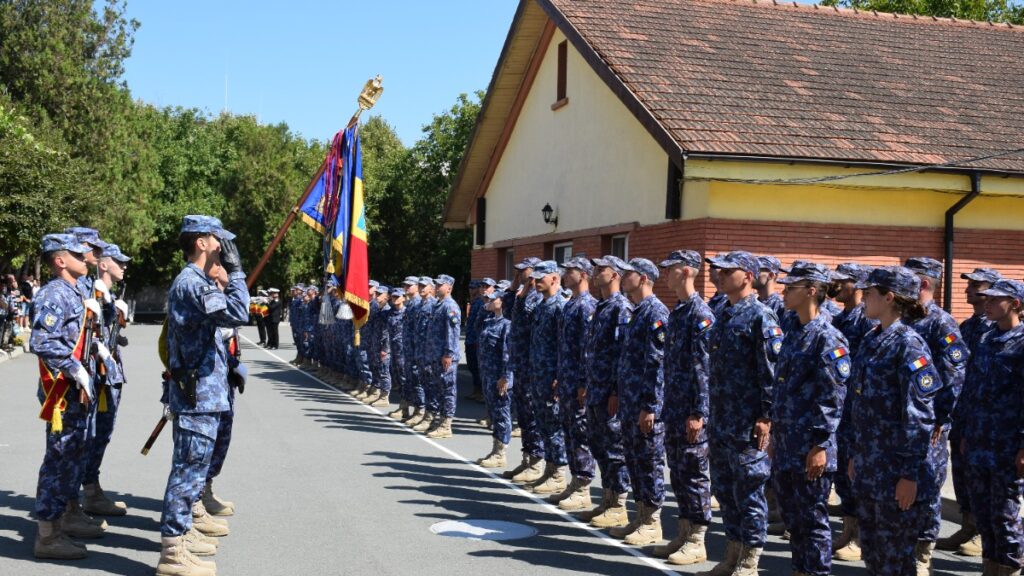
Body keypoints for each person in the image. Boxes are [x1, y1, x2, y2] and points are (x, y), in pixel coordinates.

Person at [157, 215, 248, 576]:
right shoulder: (192, 283)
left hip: (203, 392)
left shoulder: (199, 281)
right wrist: (236, 273)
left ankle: (183, 535)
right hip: (196, 395)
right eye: (218, 240)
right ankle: (172, 553)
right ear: (201, 243)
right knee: (187, 472)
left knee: (192, 471)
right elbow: (239, 313)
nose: (224, 247)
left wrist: (225, 280)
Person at [849, 266, 939, 576]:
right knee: (873, 552)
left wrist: (909, 474)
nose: (863, 299)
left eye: (869, 294)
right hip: (870, 465)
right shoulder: (873, 338)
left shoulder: (909, 345)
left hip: (894, 471)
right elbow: (860, 405)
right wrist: (856, 455)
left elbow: (919, 417)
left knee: (896, 558)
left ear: (889, 298)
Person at [700, 250, 782, 576]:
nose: (719, 276)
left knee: (749, 493)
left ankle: (749, 561)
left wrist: (766, 417)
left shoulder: (762, 317)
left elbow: (772, 373)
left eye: (726, 271)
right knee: (726, 490)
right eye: (718, 271)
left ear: (747, 277)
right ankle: (732, 554)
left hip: (748, 423)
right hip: (723, 422)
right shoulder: (724, 314)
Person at [771, 262, 849, 576]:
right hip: (789, 444)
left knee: (813, 520)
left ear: (812, 291)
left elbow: (832, 398)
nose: (784, 292)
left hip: (811, 448)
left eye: (791, 288)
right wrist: (777, 435)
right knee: (794, 519)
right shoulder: (793, 329)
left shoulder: (828, 338)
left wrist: (819, 445)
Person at [30, 233, 97, 559]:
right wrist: (74, 368)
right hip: (60, 391)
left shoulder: (72, 292)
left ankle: (58, 527)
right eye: (77, 255)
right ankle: (46, 535)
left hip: (73, 391)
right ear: (60, 260)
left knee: (70, 457)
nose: (85, 259)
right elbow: (42, 341)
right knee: (57, 460)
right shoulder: (54, 293)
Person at [903, 256, 968, 573]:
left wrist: (940, 419)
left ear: (924, 283)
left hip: (929, 425)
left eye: (909, 279)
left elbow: (953, 377)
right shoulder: (906, 319)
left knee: (926, 491)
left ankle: (922, 556)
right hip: (901, 423)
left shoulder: (941, 324)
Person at [958, 279, 1024, 576]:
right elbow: (971, 390)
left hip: (1007, 445)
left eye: (996, 299)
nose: (988, 302)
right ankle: (990, 566)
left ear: (1015, 305)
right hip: (978, 440)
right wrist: (966, 433)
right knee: (983, 513)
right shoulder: (985, 339)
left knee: (1005, 514)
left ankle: (1010, 567)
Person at [653, 250, 713, 565]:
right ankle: (683, 533)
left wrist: (699, 414)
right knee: (678, 474)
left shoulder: (700, 314)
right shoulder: (678, 312)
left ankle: (698, 540)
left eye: (670, 268)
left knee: (694, 475)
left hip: (691, 413)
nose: (665, 273)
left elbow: (704, 369)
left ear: (687, 271)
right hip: (674, 409)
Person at [607, 257, 669, 546]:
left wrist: (651, 406)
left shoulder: (656, 312)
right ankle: (640, 516)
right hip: (631, 402)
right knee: (634, 460)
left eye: (629, 273)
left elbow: (657, 365)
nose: (623, 276)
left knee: (648, 462)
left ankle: (653, 523)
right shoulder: (637, 311)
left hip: (644, 405)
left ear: (643, 278)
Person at [939, 267, 1001, 557]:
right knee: (963, 475)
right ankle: (969, 525)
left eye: (979, 285)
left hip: (989, 419)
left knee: (985, 481)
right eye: (971, 285)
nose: (971, 290)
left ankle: (983, 534)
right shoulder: (968, 326)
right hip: (964, 412)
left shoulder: (1000, 330)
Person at [578, 255, 633, 528]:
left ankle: (619, 504)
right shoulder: (602, 307)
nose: (596, 272)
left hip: (609, 393)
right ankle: (608, 499)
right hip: (596, 390)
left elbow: (622, 354)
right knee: (600, 447)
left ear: (615, 276)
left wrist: (615, 391)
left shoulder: (621, 308)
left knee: (614, 449)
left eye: (602, 269)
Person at [829, 262, 878, 562]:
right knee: (845, 477)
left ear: (857, 285)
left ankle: (860, 536)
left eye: (842, 281)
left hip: (858, 407)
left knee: (858, 474)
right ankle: (849, 529)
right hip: (842, 409)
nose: (836, 285)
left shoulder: (865, 320)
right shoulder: (841, 318)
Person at [80, 244, 132, 517]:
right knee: (85, 437)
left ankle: (91, 488)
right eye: (118, 262)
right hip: (94, 373)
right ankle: (76, 499)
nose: (123, 267)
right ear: (104, 265)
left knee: (102, 434)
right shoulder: (91, 291)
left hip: (109, 371)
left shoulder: (108, 293)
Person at [548, 257, 598, 510]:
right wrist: (560, 375)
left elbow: (587, 351)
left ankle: (584, 486)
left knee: (580, 433)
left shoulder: (588, 306)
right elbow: (564, 347)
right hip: (566, 379)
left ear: (584, 275)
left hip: (578, 383)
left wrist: (583, 382)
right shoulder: (571, 304)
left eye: (571, 271)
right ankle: (575, 482)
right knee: (569, 431)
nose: (566, 274)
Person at [524, 260, 568, 494]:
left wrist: (559, 376)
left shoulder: (560, 305)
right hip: (538, 373)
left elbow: (564, 345)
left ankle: (559, 472)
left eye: (542, 277)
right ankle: (550, 469)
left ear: (555, 278)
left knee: (554, 424)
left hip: (551, 375)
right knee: (543, 422)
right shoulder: (542, 305)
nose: (537, 281)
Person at [502, 257, 546, 483]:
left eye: (524, 271)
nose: (520, 275)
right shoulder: (522, 294)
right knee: (525, 416)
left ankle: (537, 463)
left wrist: (528, 286)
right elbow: (508, 310)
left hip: (533, 365)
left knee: (533, 416)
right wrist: (515, 285)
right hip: (521, 364)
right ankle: (528, 458)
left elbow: (528, 315)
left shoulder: (539, 296)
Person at [475, 290, 513, 468]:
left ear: (502, 301)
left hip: (499, 378)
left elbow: (508, 354)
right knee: (494, 413)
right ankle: (495, 449)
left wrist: (505, 377)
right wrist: (486, 306)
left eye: (493, 299)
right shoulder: (489, 322)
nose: (488, 301)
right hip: (488, 376)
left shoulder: (507, 325)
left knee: (502, 414)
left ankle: (500, 452)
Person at [423, 274, 460, 439]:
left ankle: (446, 424)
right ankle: (440, 419)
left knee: (447, 390)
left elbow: (452, 333)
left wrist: (449, 354)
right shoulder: (438, 305)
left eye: (441, 285)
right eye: (436, 284)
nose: (437, 287)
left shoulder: (450, 306)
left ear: (449, 287)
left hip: (445, 357)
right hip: (435, 355)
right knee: (439, 389)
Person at [409, 277, 438, 431]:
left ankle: (430, 415)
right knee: (421, 382)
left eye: (423, 286)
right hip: (418, 350)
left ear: (431, 288)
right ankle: (422, 411)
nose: (421, 288)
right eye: (419, 285)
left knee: (430, 384)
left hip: (429, 352)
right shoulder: (419, 305)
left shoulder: (434, 305)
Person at [386, 288, 409, 418]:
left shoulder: (407, 313)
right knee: (398, 378)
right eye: (393, 297)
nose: (394, 299)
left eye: (397, 296)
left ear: (403, 298)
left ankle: (405, 406)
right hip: (394, 350)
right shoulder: (390, 313)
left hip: (403, 351)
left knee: (404, 378)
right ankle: (403, 406)